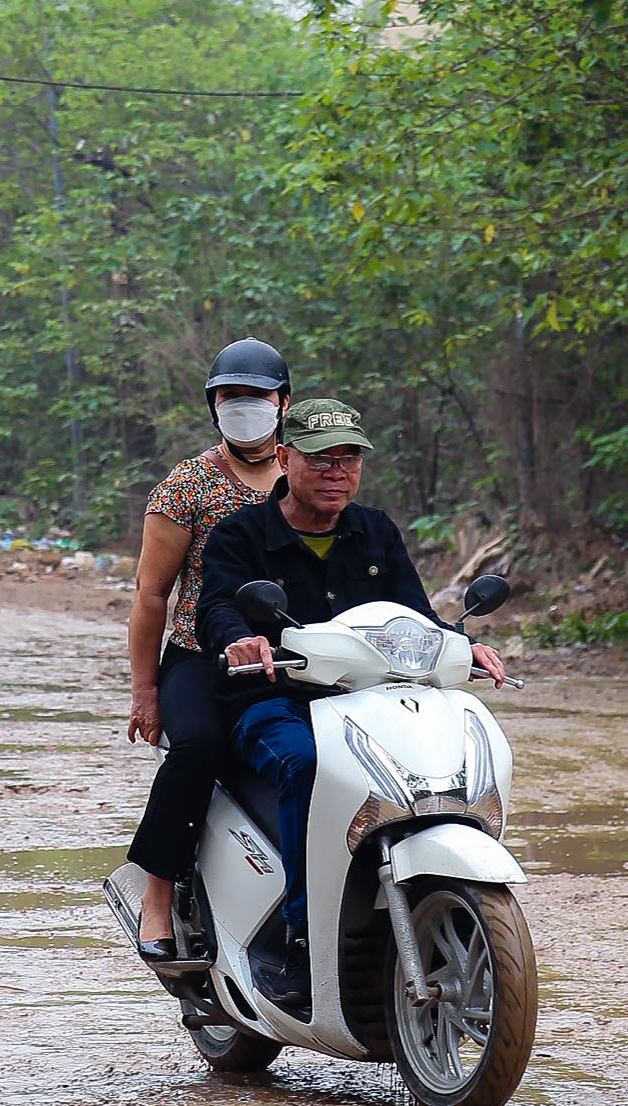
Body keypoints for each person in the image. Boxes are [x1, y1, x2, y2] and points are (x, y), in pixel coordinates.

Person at [197, 398, 506, 1011]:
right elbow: (219, 606)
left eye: (349, 459)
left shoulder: (376, 531)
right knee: (308, 767)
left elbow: (414, 615)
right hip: (275, 699)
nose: (337, 472)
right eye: (321, 460)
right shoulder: (242, 535)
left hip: (369, 700)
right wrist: (239, 640)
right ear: (285, 459)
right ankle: (298, 935)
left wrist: (463, 644)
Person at [123, 338, 292, 960]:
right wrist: (146, 689)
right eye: (231, 397)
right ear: (213, 405)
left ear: (284, 403)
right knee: (200, 746)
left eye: (257, 396)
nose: (244, 406)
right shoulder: (187, 487)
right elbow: (151, 596)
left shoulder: (307, 475)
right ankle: (159, 893)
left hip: (294, 653)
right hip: (202, 654)